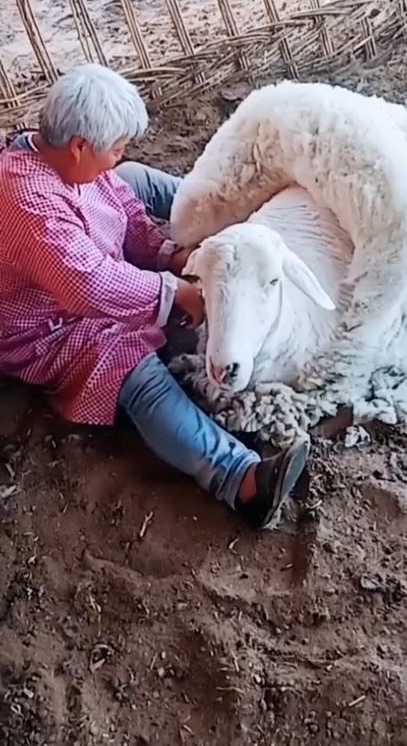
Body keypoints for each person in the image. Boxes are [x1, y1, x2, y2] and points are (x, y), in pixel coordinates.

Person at [0, 64, 309, 529]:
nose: (116, 157)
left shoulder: (63, 157)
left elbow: (117, 200)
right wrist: (174, 291)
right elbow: (88, 284)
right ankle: (240, 480)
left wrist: (166, 253)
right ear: (80, 146)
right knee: (129, 362)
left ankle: (242, 218)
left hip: (82, 273)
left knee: (135, 179)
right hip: (44, 325)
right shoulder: (28, 204)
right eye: (114, 148)